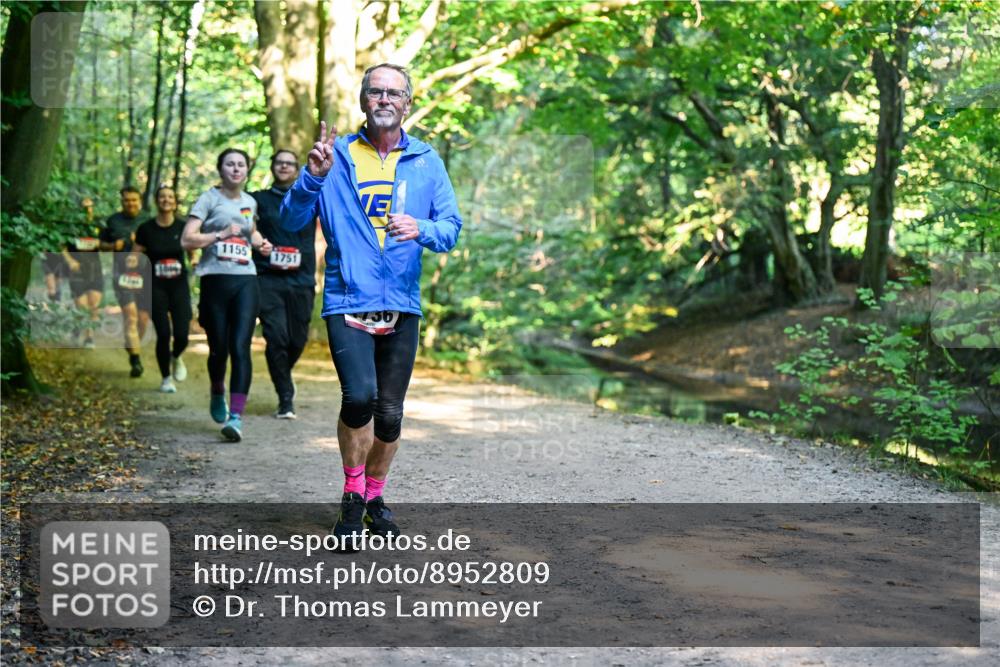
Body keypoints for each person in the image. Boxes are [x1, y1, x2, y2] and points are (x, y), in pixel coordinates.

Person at [281, 63, 461, 545]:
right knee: (358, 396)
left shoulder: (426, 161)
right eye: (375, 91)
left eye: (393, 93)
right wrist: (312, 179)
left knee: (391, 413)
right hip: (347, 296)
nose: (384, 99)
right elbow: (291, 218)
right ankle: (353, 494)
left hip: (402, 300)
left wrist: (420, 228)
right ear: (363, 101)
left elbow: (451, 228)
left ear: (407, 103)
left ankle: (376, 496)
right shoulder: (334, 156)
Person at [182, 148, 272, 442]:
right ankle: (217, 390)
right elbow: (187, 239)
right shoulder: (209, 199)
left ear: (247, 170)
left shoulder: (250, 202)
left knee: (240, 346)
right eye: (230, 164)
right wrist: (219, 235)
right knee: (219, 348)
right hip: (215, 279)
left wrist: (262, 244)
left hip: (245, 280)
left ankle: (236, 417)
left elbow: (251, 232)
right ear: (220, 169)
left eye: (241, 165)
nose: (236, 169)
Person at [251, 150, 316, 419]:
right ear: (273, 167)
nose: (284, 167)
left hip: (302, 278)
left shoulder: (310, 197)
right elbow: (244, 223)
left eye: (290, 163)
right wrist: (257, 241)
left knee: (297, 339)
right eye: (279, 162)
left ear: (297, 168)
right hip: (268, 278)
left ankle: (283, 376)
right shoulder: (258, 199)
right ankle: (285, 397)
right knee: (276, 336)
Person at [134, 185, 192, 394]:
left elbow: (192, 250)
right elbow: (135, 256)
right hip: (155, 286)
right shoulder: (146, 229)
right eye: (162, 197)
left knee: (182, 334)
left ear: (175, 202)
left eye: (170, 196)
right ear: (157, 201)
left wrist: (194, 262)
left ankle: (176, 356)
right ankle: (166, 378)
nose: (166, 200)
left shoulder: (183, 227)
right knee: (164, 333)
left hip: (179, 285)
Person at [101, 186, 150, 377]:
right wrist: (113, 245)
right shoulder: (113, 221)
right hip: (122, 275)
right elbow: (101, 245)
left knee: (143, 320)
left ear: (140, 201)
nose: (130, 203)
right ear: (122, 201)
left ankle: (132, 343)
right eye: (126, 200)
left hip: (145, 276)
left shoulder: (148, 220)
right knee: (131, 316)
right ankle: (136, 362)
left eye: (134, 200)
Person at [63, 197, 103, 348]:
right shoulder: (72, 227)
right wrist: (70, 261)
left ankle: (89, 338)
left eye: (90, 207)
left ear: (93, 208)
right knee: (82, 306)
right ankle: (77, 327)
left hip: (95, 271)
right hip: (77, 272)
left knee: (93, 306)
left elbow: (108, 244)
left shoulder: (98, 227)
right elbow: (61, 245)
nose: (87, 210)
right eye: (84, 207)